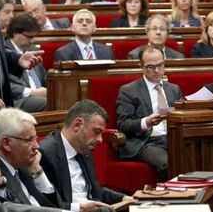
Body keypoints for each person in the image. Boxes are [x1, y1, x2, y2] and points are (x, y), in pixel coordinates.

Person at [40, 100, 133, 211]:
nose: (100, 140)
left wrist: (124, 198)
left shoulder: (84, 148)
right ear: (77, 125)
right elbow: (43, 204)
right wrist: (79, 208)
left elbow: (96, 190)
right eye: (96, 132)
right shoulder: (46, 154)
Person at [117, 45, 183, 180]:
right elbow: (123, 125)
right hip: (146, 142)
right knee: (168, 163)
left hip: (173, 138)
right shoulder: (128, 90)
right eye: (151, 67)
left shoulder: (174, 89)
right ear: (141, 66)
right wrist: (146, 122)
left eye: (160, 65)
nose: (157, 70)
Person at [0, 108, 72, 209]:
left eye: (35, 139)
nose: (37, 146)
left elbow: (57, 207)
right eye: (30, 140)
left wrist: (37, 172)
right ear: (6, 143)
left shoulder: (22, 165)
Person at [6, 14, 48, 113]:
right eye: (29, 37)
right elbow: (5, 85)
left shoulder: (34, 50)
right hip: (16, 101)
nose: (32, 41)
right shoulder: (4, 53)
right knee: (49, 102)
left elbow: (44, 77)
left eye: (34, 37)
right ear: (15, 33)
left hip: (40, 96)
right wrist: (33, 92)